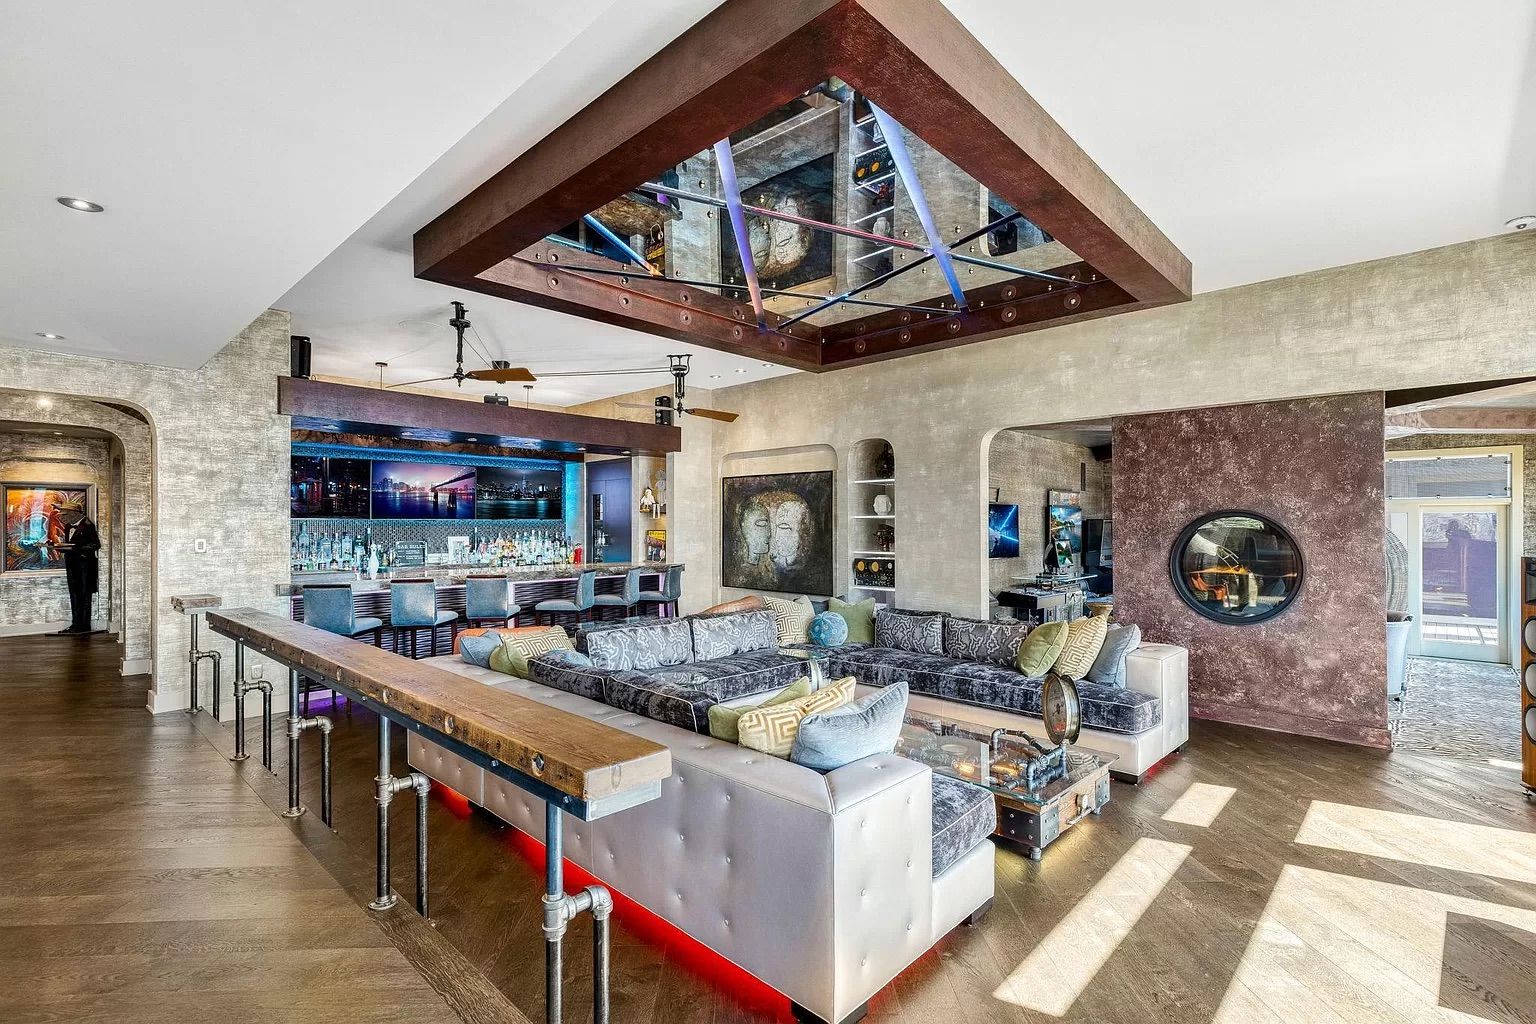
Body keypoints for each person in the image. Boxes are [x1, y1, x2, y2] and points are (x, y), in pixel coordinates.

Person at [46, 508, 100, 636]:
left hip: (85, 568)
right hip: (72, 566)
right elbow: (70, 547)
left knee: (84, 596)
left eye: (65, 514)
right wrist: (56, 546)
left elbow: (95, 545)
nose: (62, 517)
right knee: (75, 595)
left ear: (76, 514)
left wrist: (76, 548)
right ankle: (76, 624)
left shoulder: (87, 526)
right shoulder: (69, 526)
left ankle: (84, 625)